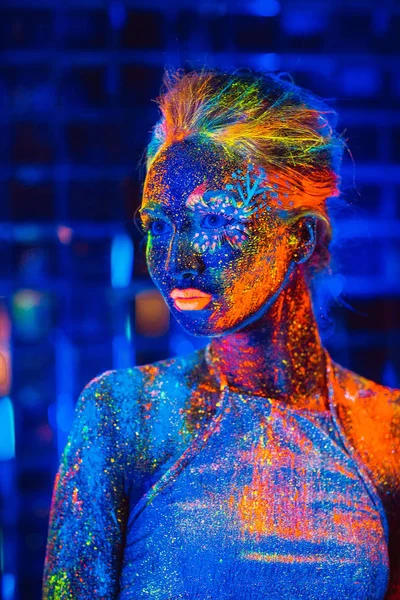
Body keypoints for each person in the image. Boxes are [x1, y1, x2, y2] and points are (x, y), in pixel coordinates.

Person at [42, 68, 400, 599]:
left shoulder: (386, 434)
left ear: (298, 236)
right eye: (159, 225)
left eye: (212, 219)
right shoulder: (124, 417)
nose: (175, 259)